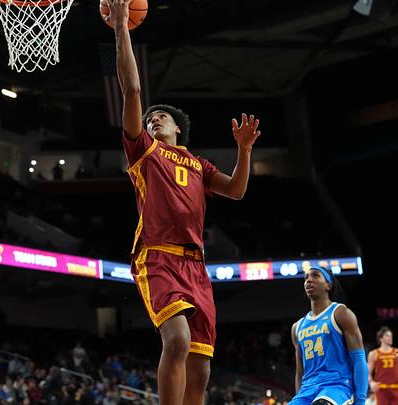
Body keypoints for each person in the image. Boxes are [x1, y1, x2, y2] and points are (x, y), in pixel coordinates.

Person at [106, 1, 262, 405]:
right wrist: (122, 27)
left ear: (179, 128)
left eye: (161, 118)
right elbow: (133, 89)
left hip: (196, 265)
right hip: (157, 255)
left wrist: (243, 150)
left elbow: (237, 191)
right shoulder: (143, 150)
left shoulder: (196, 162)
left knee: (202, 368)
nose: (153, 119)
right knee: (175, 341)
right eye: (150, 118)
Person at [289, 266, 369, 405]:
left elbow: (359, 359)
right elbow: (300, 371)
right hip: (308, 389)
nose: (309, 280)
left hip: (337, 386)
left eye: (315, 276)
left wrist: (360, 401)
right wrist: (299, 397)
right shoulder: (297, 327)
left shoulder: (340, 313)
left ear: (328, 285)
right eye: (306, 277)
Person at [368, 327, 398, 405]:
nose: (390, 338)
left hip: (396, 389)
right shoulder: (373, 353)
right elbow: (368, 373)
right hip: (381, 390)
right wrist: (371, 383)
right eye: (387, 336)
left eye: (391, 336)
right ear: (381, 338)